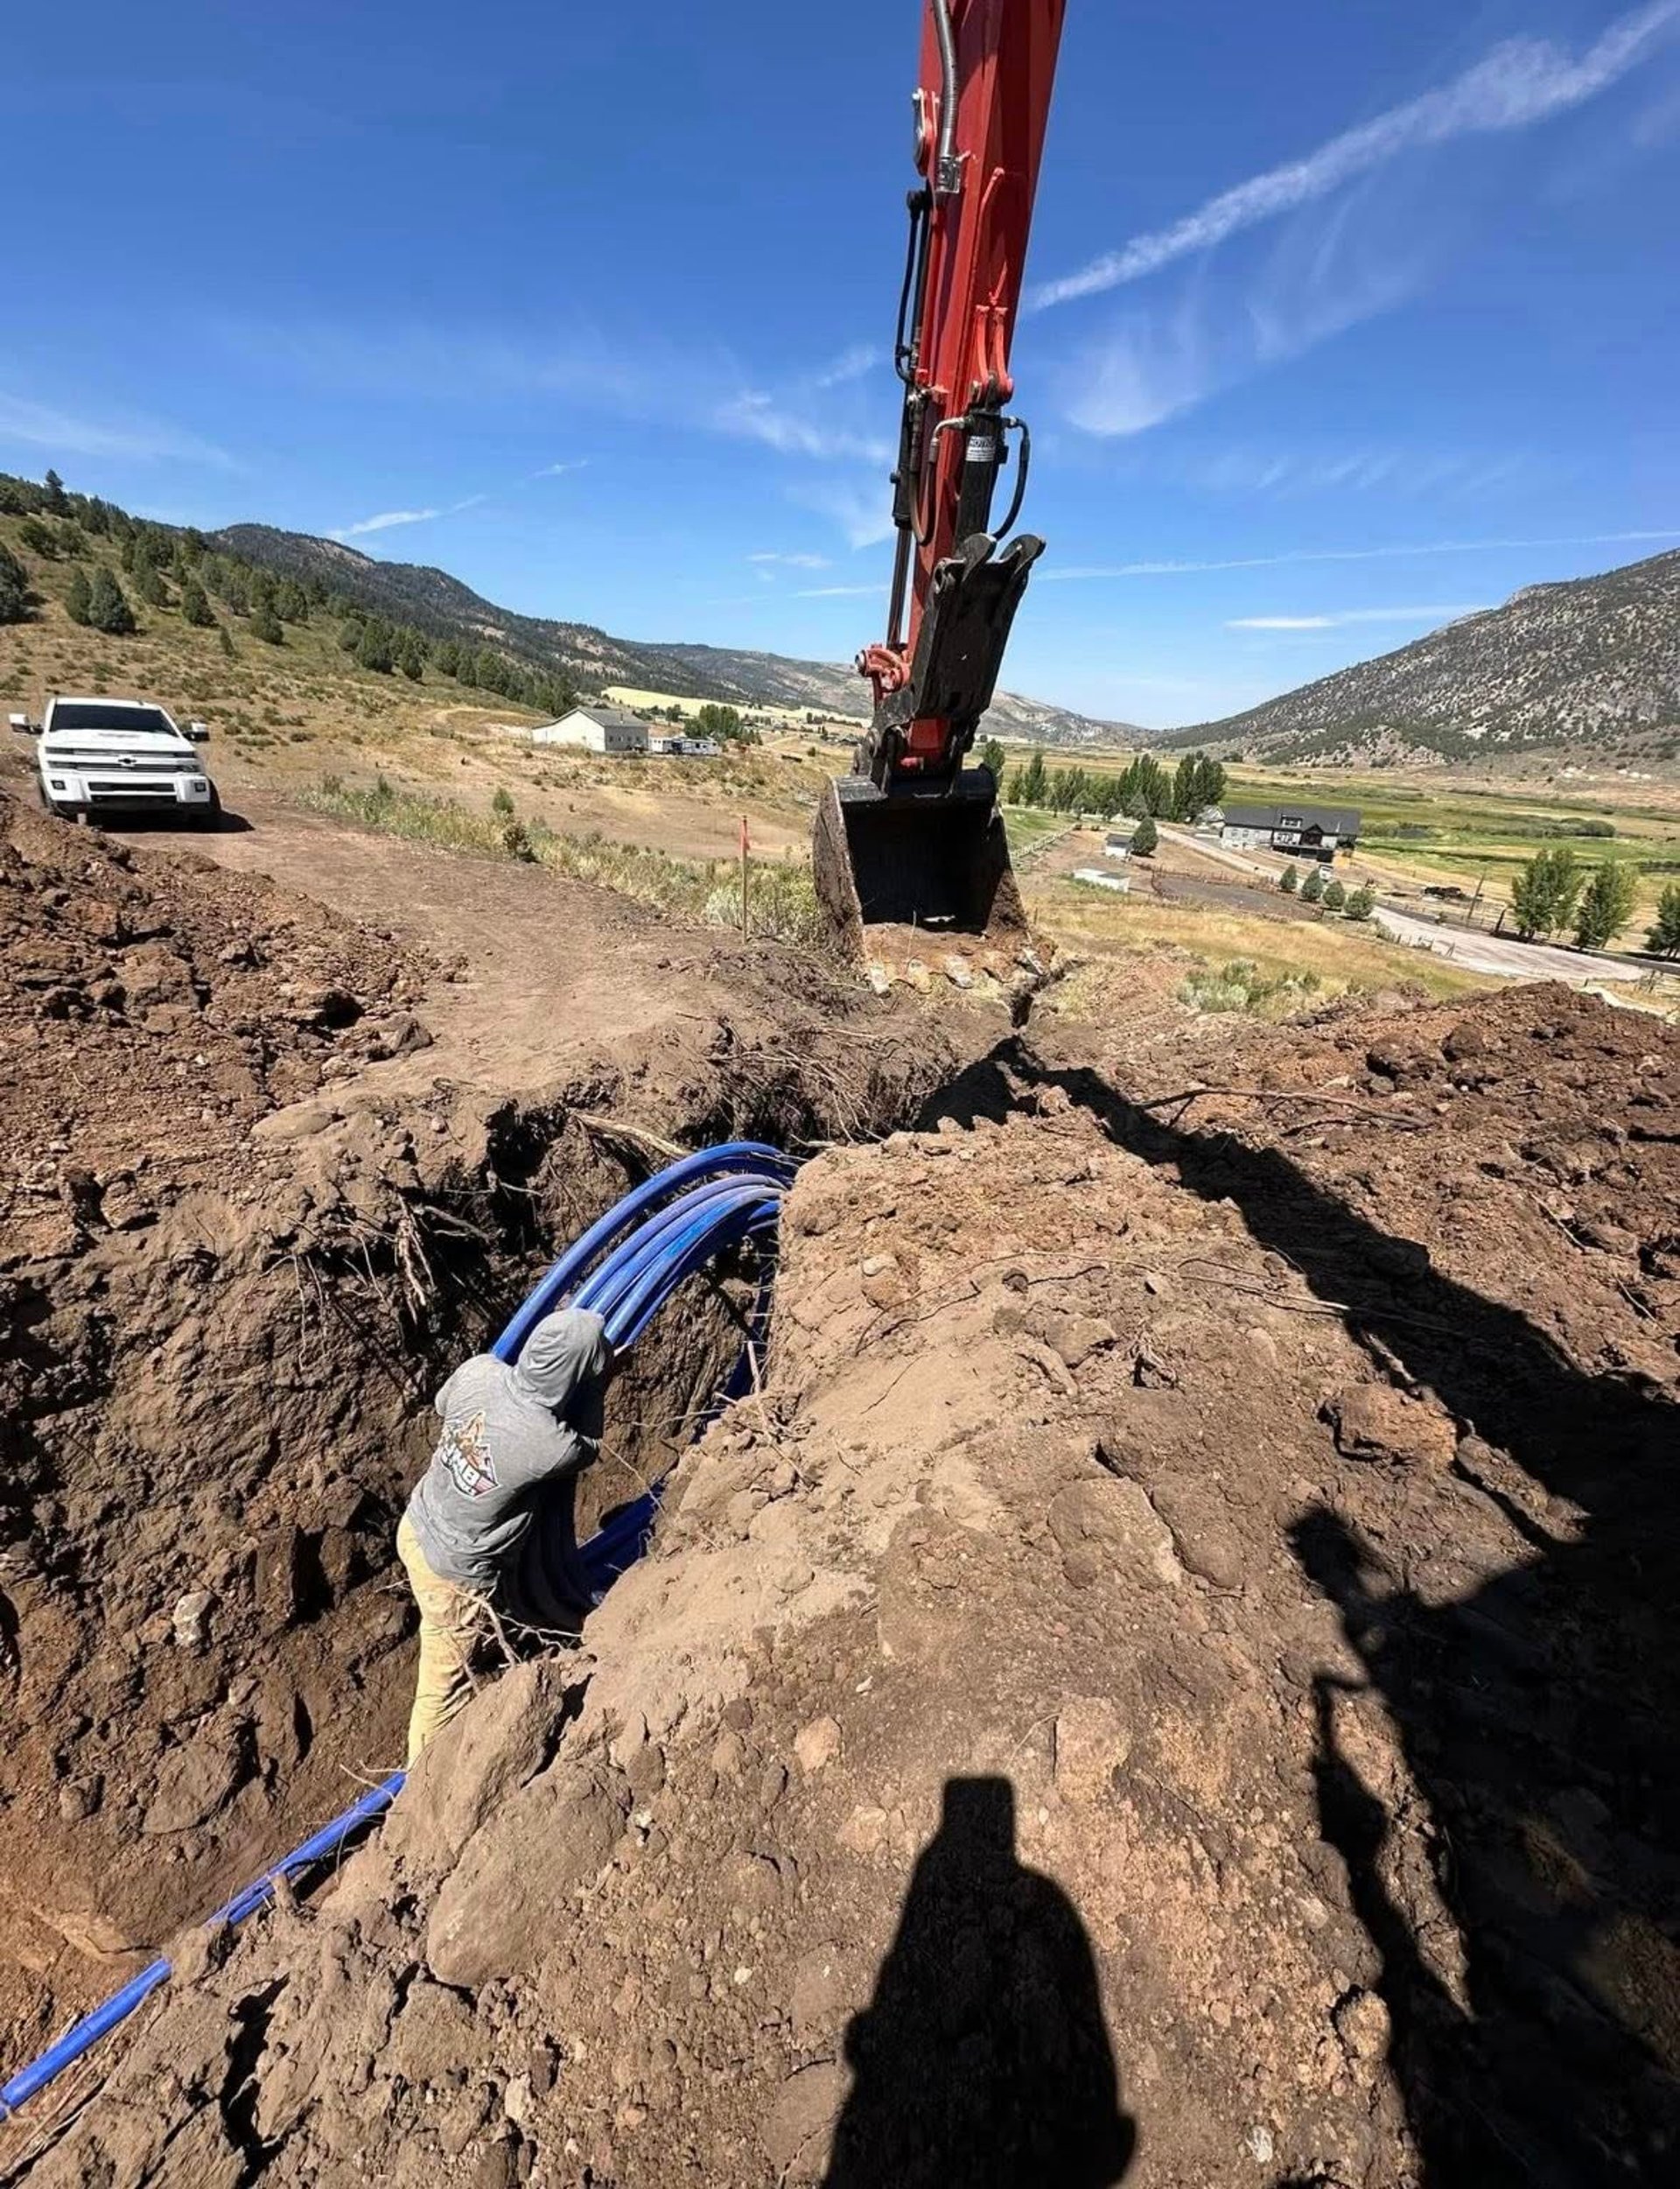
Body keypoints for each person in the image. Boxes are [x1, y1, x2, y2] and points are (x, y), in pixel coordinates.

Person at [396, 1306, 615, 1762]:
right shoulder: (549, 1443)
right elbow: (589, 1449)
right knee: (441, 1693)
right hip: (454, 1576)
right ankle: (419, 1792)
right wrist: (597, 1384)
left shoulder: (480, 1369)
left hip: (416, 1526)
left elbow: (442, 1404)